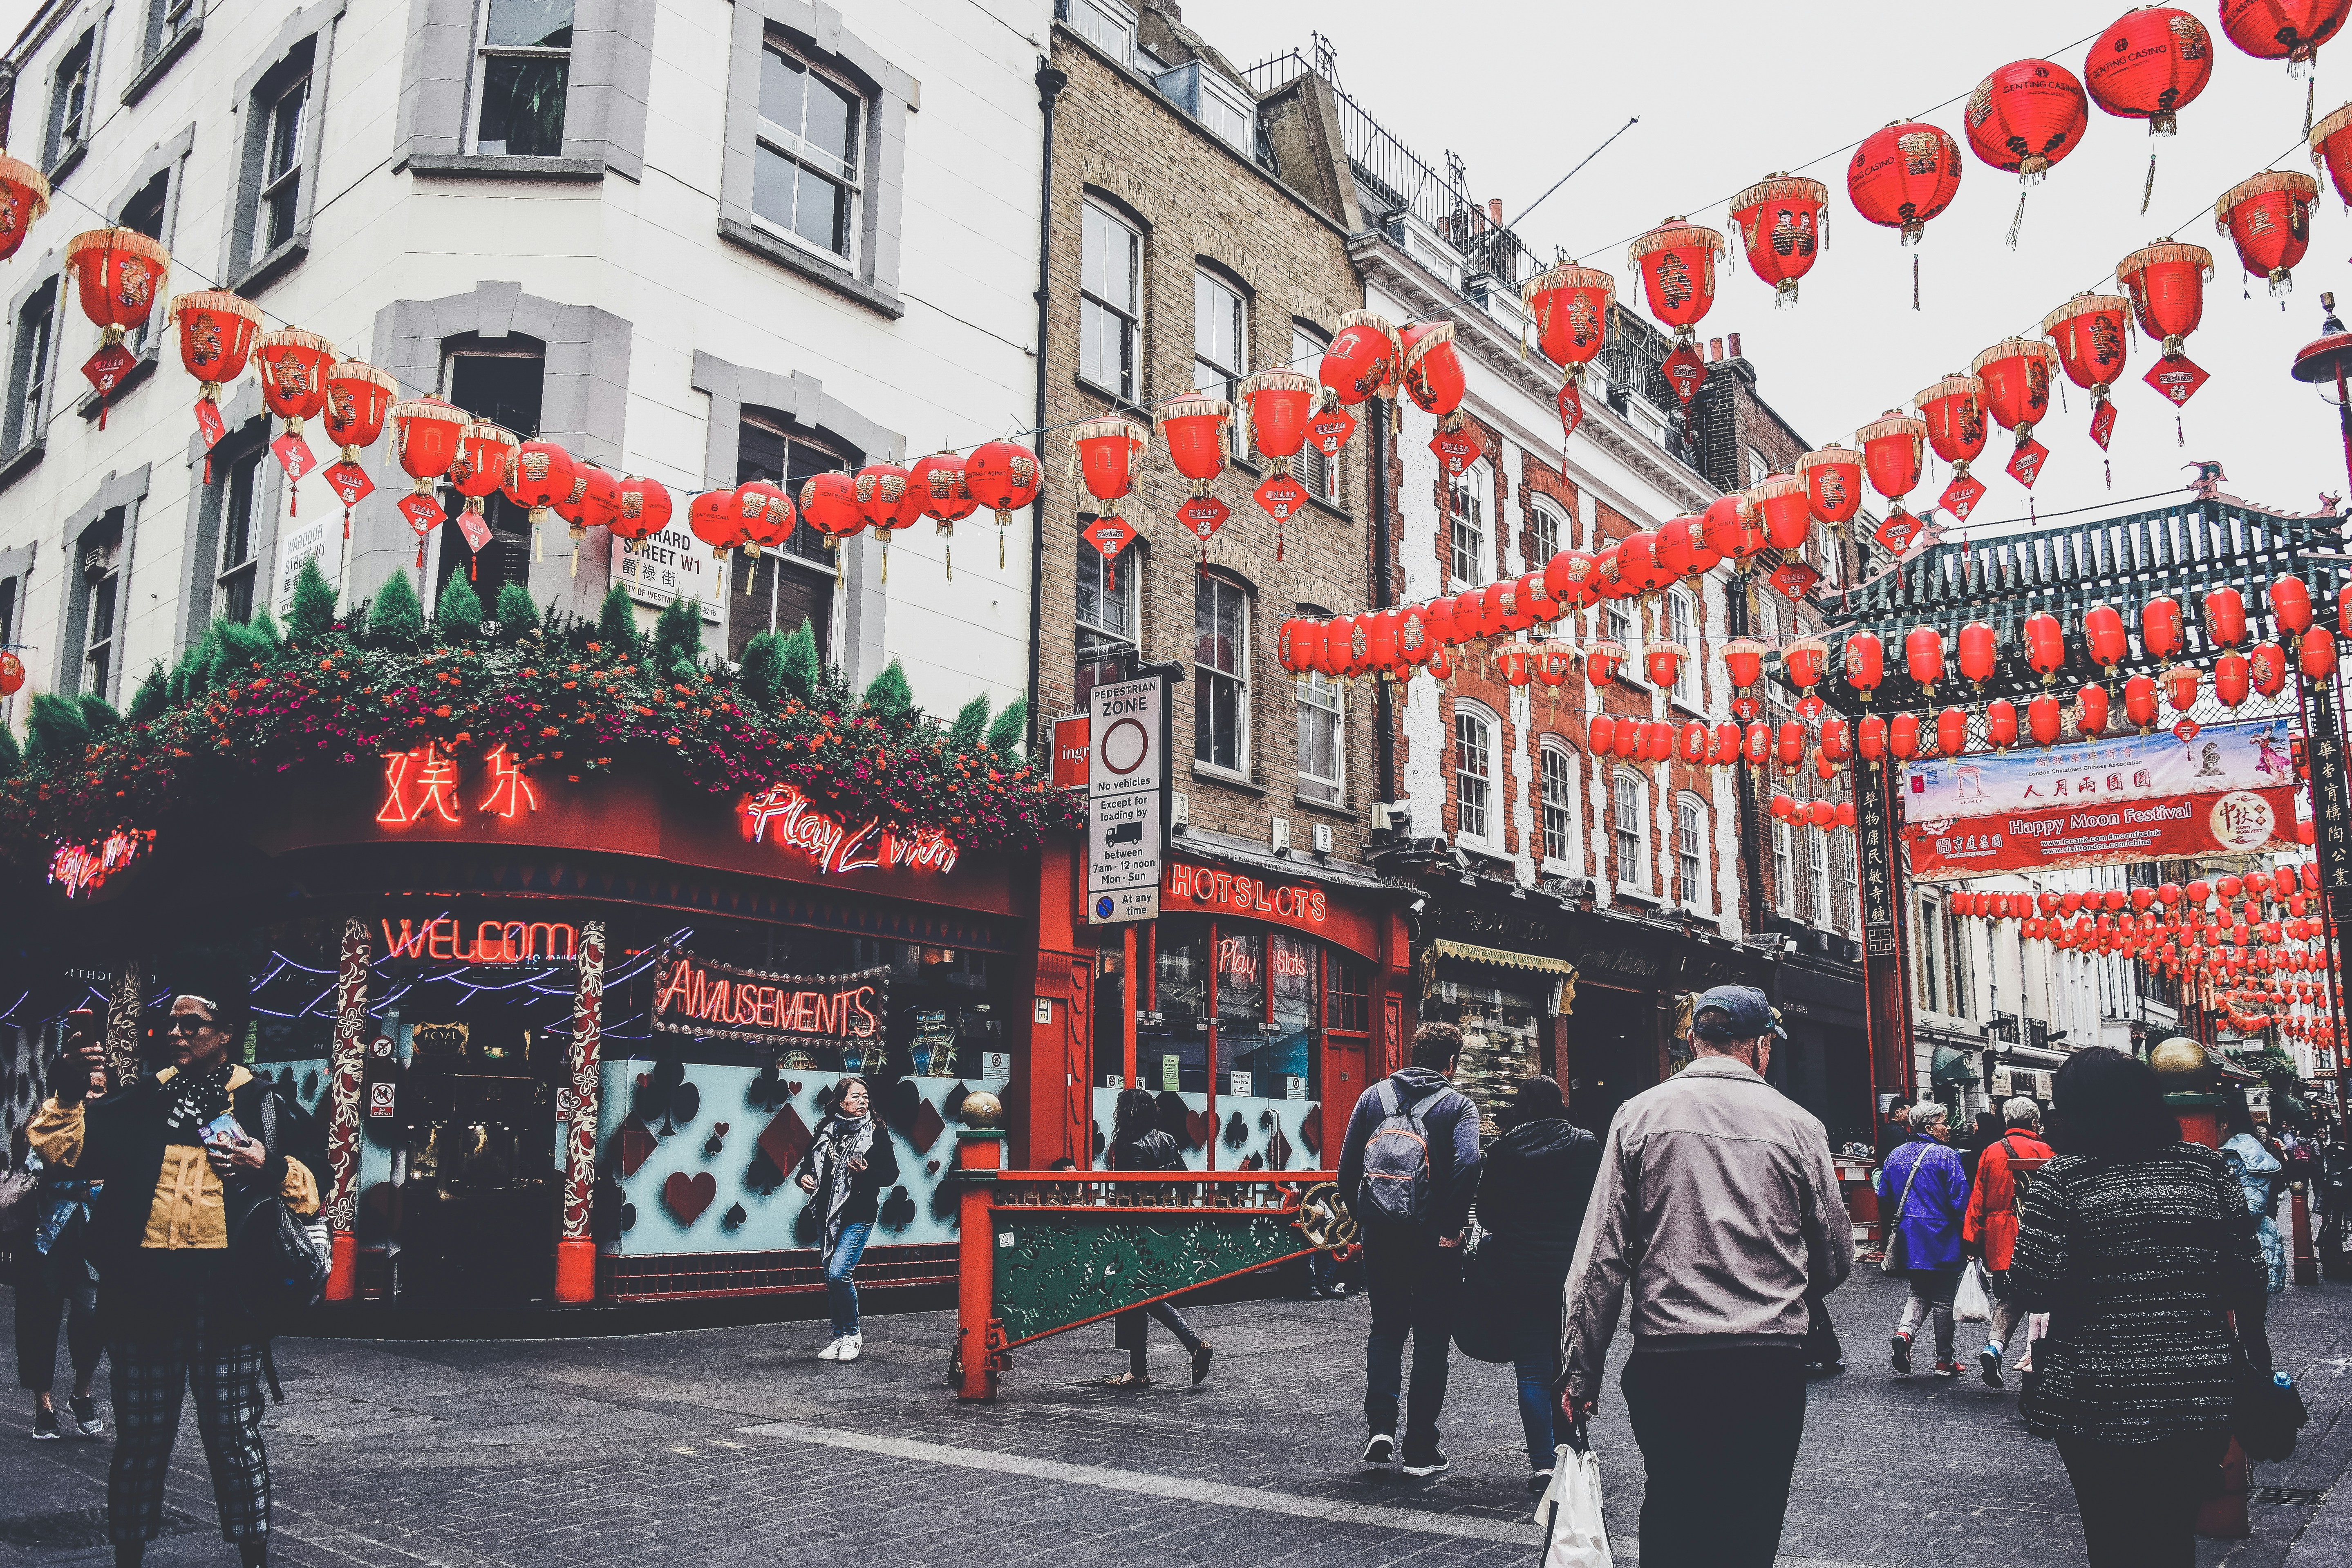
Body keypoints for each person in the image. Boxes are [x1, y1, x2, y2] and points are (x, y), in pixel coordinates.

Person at [1558, 986, 1853, 1568]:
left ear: (1692, 1039)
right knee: (1751, 1517)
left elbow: (1599, 1260)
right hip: (1764, 1361)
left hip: (1669, 1359)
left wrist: (1578, 1372)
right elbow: (1835, 1253)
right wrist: (1779, 1284)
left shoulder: (1638, 1115)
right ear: (1761, 1047)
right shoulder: (1799, 1126)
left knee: (1671, 1505)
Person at [30, 989, 320, 1568]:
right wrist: (65, 1094)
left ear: (225, 1033)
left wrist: (271, 1165)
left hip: (229, 1300)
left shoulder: (264, 1103)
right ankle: (129, 1557)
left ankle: (254, 1558)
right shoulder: (141, 1099)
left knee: (235, 1438)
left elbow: (312, 1190)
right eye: (172, 1025)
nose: (179, 1034)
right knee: (140, 1438)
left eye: (193, 1025)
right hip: (143, 1295)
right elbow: (66, 1153)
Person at [2009, 1047, 2266, 1568]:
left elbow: (2032, 1285)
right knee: (2173, 1537)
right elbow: (2248, 1278)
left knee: (2111, 1538)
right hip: (2199, 1389)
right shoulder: (2206, 1169)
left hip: (2096, 1394)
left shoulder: (2063, 1179)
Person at [1335, 1020, 1481, 1477]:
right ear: (1451, 1062)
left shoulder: (1372, 1097)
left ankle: (1380, 1427)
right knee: (1432, 1340)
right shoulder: (1459, 1106)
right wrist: (1451, 1226)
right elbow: (1471, 1161)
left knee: (1386, 1330)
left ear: (1412, 1055)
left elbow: (1346, 1167)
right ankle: (1420, 1447)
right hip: (1434, 1239)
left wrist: (1363, 1219)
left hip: (1381, 1234)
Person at [1472, 1075, 1598, 1494]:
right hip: (1572, 1276)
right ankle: (1571, 1451)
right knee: (1565, 1368)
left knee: (1530, 1371)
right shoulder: (1584, 1145)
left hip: (1519, 1272)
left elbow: (1487, 1213)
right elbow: (1600, 1208)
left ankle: (1544, 1465)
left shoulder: (1503, 1151)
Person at [16, 1052, 109, 1440]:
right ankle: (44, 1406)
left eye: (100, 1087)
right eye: (87, 1085)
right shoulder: (49, 1119)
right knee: (40, 1321)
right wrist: (89, 1184)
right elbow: (39, 1167)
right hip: (47, 1239)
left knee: (93, 1317)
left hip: (92, 1242)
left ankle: (81, 1394)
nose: (92, 1093)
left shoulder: (109, 1126)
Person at [1099, 1088, 1213, 1389]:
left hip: (1135, 1228)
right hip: (1163, 1225)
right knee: (1140, 1294)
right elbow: (1184, 1180)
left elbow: (1130, 1193)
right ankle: (1140, 1370)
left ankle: (1191, 1344)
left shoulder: (1127, 1147)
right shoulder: (1167, 1139)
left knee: (1141, 1292)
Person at [793, 1075, 899, 1363]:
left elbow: (891, 1174)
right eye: (855, 1096)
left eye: (865, 1096)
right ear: (841, 1101)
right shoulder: (825, 1131)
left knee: (840, 1273)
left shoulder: (876, 1132)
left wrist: (866, 1171)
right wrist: (802, 1177)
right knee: (831, 1277)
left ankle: (853, 1335)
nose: (862, 1101)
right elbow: (807, 1166)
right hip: (828, 1214)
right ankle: (839, 1336)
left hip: (859, 1214)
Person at [1961, 1096, 2053, 1388]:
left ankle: (1994, 1347)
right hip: (2037, 1237)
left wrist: (1972, 1241)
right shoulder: (2047, 1151)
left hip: (2000, 1239)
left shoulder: (1990, 1152)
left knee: (2010, 1297)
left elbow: (1977, 1200)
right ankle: (2037, 1363)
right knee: (2044, 1298)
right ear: (2033, 1121)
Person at [1878, 1099, 1969, 1378]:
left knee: (1919, 1291)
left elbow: (1883, 1196)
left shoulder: (1895, 1155)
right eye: (1943, 1122)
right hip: (1942, 1236)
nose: (1948, 1127)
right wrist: (1970, 1240)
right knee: (1942, 1298)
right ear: (1930, 1127)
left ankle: (1904, 1333)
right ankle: (1944, 1360)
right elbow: (1960, 1201)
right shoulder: (1946, 1156)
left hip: (1910, 1236)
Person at [2220, 1089, 2285, 1372]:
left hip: (2251, 1250)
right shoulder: (2228, 1151)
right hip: (2236, 1250)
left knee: (2251, 1330)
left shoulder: (2245, 1155)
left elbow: (2253, 1208)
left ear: (2224, 1123)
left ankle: (2264, 1397)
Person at [1959, 1109, 2003, 1192]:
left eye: (1976, 1123)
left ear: (1982, 1126)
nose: (1973, 1126)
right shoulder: (1999, 1145)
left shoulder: (1976, 1153)